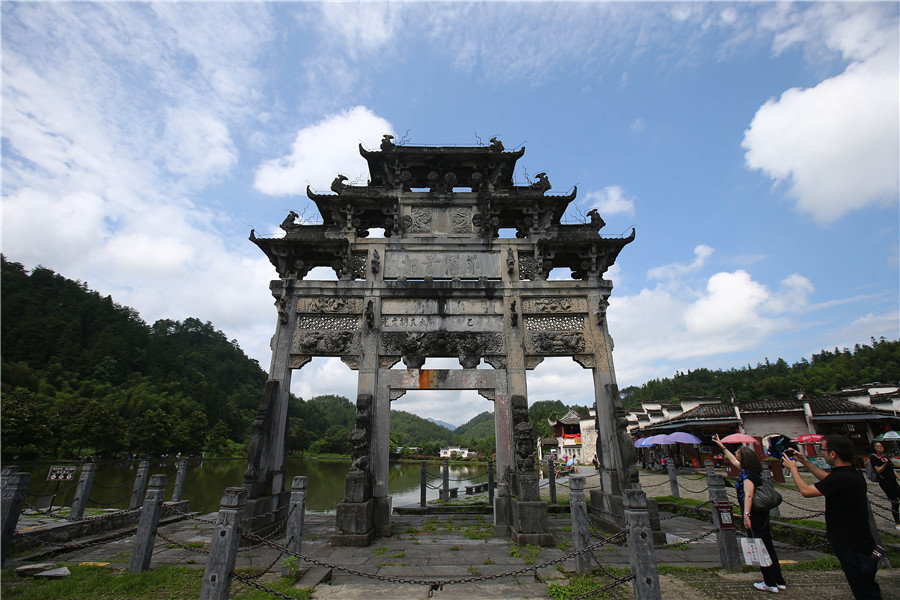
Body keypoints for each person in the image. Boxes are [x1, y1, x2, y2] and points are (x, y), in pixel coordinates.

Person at [782, 434, 882, 600]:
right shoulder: (852, 473)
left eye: (824, 451)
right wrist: (805, 461)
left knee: (864, 590)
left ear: (833, 454)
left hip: (851, 543)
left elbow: (806, 492)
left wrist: (793, 469)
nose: (823, 453)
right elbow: (827, 479)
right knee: (864, 585)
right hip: (858, 540)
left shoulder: (842, 478)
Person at [713, 434, 786, 594]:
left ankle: (769, 582)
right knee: (768, 546)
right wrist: (722, 446)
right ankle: (779, 580)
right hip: (762, 513)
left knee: (760, 548)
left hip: (754, 514)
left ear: (744, 459)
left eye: (739, 455)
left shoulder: (747, 476)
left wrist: (746, 515)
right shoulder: (752, 471)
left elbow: (749, 496)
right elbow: (733, 461)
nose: (736, 458)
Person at [869, 441, 900, 530]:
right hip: (885, 482)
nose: (880, 447)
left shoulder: (885, 456)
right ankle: (897, 522)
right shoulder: (874, 458)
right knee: (894, 501)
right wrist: (884, 464)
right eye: (878, 446)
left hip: (893, 481)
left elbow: (891, 468)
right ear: (874, 448)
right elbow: (878, 470)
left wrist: (898, 477)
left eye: (881, 446)